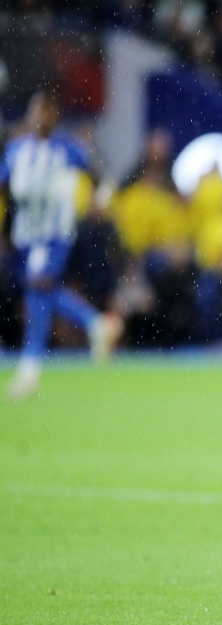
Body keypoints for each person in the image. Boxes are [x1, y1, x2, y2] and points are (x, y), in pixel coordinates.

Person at [1, 91, 122, 399]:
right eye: (36, 112)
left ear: (55, 117)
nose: (41, 118)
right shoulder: (17, 150)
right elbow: (4, 186)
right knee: (39, 293)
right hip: (25, 235)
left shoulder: (66, 148)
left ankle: (30, 370)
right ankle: (96, 324)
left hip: (55, 233)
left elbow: (101, 177)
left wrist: (100, 201)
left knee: (38, 286)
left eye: (46, 112)